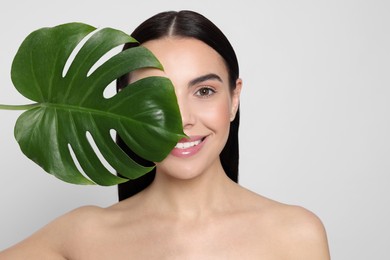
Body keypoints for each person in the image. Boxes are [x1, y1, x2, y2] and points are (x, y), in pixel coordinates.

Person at [0, 10, 330, 259]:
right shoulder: (82, 234)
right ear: (123, 107)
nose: (181, 120)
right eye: (153, 96)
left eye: (203, 91)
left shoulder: (296, 235)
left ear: (234, 99)